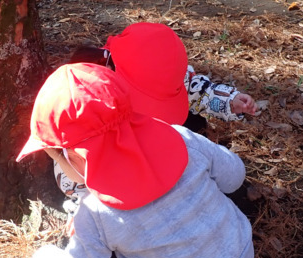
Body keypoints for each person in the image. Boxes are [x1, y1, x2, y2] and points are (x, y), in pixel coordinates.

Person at [21, 64, 254, 258]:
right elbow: (234, 176)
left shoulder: (94, 213)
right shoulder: (179, 136)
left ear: (76, 157)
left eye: (55, 156)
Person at [55, 22, 257, 201]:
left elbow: (199, 91)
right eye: (146, 100)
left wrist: (228, 101)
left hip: (161, 145)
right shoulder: (88, 92)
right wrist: (85, 206)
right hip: (120, 158)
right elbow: (74, 162)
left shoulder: (171, 75)